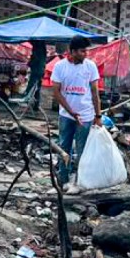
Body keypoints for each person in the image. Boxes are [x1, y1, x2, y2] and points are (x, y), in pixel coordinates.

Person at [51, 36, 102, 187]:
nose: (85, 54)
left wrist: (98, 116)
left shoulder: (90, 66)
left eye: (86, 51)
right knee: (64, 147)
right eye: (82, 51)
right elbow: (56, 92)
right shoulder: (60, 67)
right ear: (72, 52)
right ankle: (63, 180)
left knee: (82, 151)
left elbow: (95, 93)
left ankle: (80, 182)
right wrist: (71, 112)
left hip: (86, 116)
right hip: (66, 116)